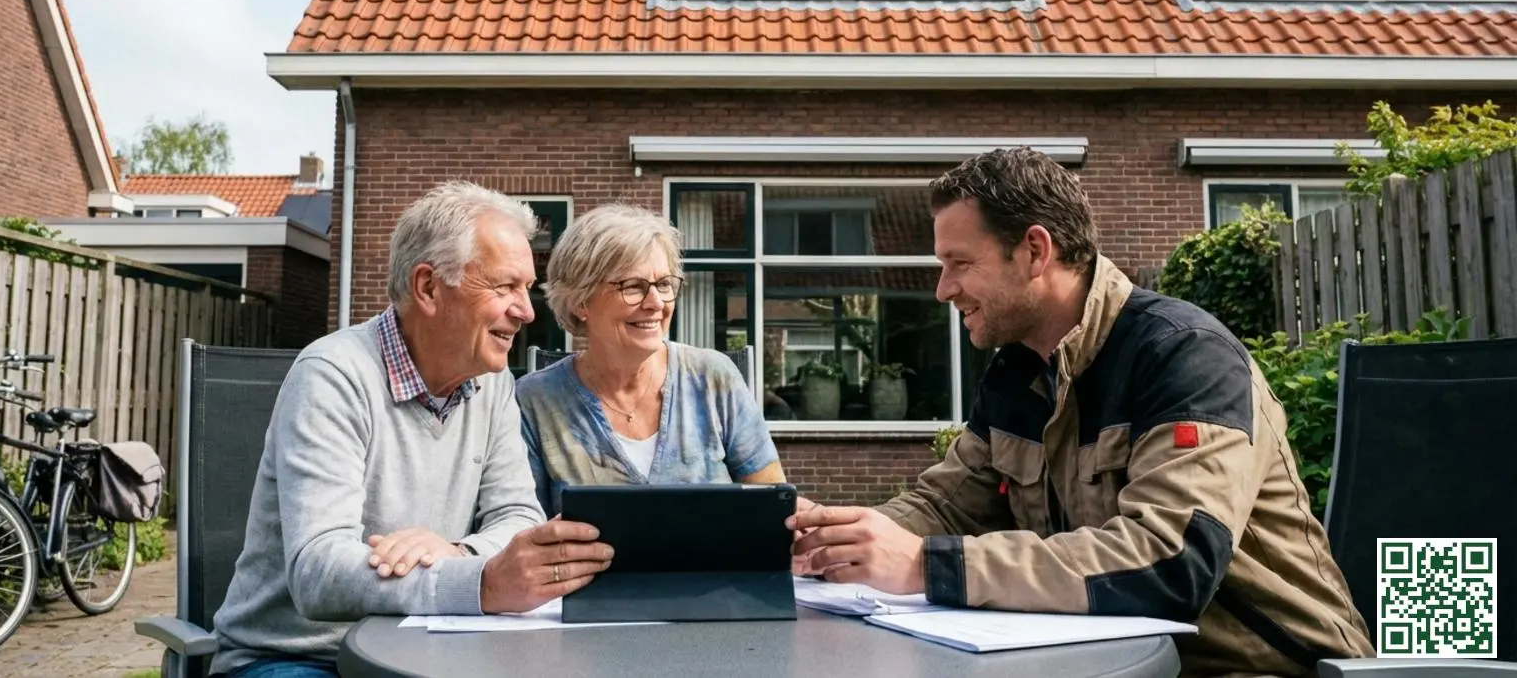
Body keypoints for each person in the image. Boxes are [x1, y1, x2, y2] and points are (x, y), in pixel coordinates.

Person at [788, 149, 1375, 677]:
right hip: (1100, 661)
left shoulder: (1185, 357)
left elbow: (1169, 561)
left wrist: (925, 565)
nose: (943, 290)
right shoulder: (1018, 372)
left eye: (960, 263)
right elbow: (944, 503)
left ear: (1035, 251)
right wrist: (836, 538)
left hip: (1272, 667)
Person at [210, 181, 615, 678]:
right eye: (504, 287)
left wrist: (457, 552)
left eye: (527, 289)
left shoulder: (492, 387)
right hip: (299, 656)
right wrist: (481, 582)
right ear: (428, 288)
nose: (527, 311)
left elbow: (517, 516)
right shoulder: (334, 375)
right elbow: (317, 571)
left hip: (429, 646)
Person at [516, 202, 784, 517]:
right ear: (580, 301)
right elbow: (524, 530)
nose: (656, 303)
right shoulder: (534, 402)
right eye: (633, 286)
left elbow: (774, 506)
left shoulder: (712, 378)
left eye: (664, 284)